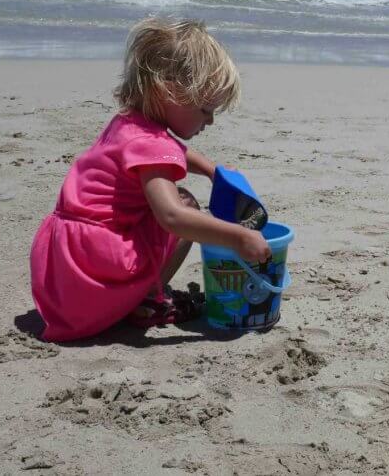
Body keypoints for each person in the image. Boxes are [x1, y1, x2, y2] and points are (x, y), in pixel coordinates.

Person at [29, 18, 270, 341]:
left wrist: (212, 170)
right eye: (205, 109)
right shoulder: (151, 143)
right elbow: (172, 217)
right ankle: (145, 302)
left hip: (64, 272)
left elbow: (172, 153)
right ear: (168, 91)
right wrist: (237, 238)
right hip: (95, 271)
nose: (210, 120)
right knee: (186, 205)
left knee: (175, 202)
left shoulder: (130, 122)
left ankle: (135, 296)